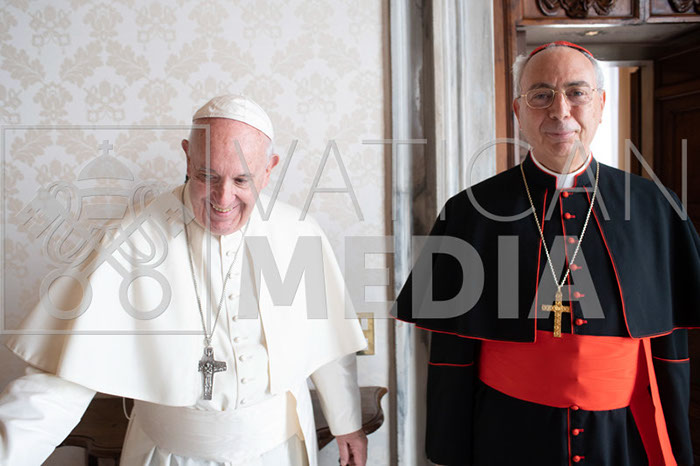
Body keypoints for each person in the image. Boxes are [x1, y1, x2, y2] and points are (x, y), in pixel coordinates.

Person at [0, 94, 368, 466]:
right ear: (188, 158)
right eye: (208, 176)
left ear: (269, 169)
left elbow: (327, 342)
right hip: (169, 455)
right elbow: (61, 379)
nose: (223, 198)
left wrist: (347, 424)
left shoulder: (299, 233)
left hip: (280, 452)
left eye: (242, 179)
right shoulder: (130, 240)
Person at [393, 41, 700, 465]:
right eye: (541, 95)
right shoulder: (471, 212)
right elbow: (452, 353)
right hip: (508, 433)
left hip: (622, 434)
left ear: (601, 104)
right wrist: (450, 450)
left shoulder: (655, 207)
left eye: (577, 92)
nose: (560, 111)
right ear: (518, 111)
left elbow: (670, 342)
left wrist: (677, 442)